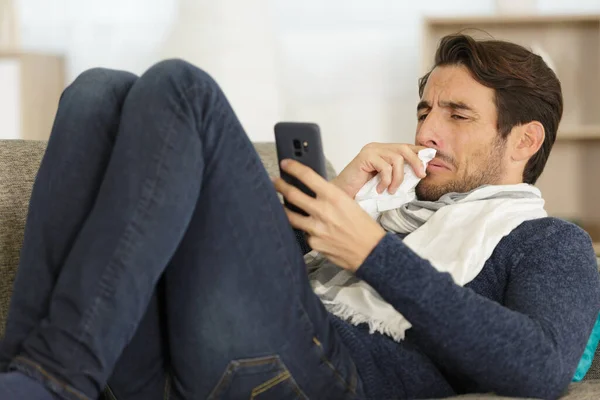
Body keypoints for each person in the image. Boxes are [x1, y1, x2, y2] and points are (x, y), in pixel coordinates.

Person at [0, 33, 598, 400]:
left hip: (313, 376)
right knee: (97, 91)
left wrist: (370, 251)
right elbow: (249, 293)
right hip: (181, 364)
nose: (425, 131)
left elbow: (541, 368)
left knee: (181, 88)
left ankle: (51, 377)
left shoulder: (549, 242)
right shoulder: (391, 207)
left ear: (523, 141)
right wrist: (330, 202)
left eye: (457, 115)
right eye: (424, 109)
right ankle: (23, 364)